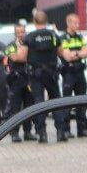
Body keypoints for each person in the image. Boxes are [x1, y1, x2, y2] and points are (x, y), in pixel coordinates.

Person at [26, 11, 69, 142]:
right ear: (46, 21)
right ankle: (61, 131)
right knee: (56, 101)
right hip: (52, 73)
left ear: (34, 21)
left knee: (39, 102)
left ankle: (42, 133)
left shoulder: (30, 37)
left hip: (36, 74)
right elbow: (61, 52)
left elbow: (23, 56)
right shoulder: (53, 35)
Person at [60, 13, 87, 137]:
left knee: (82, 102)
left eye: (78, 23)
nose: (77, 25)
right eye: (75, 23)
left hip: (80, 72)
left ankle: (82, 129)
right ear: (68, 23)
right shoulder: (63, 38)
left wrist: (76, 54)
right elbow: (67, 56)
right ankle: (66, 130)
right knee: (67, 103)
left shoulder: (79, 37)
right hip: (69, 73)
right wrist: (80, 53)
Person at [4, 24, 35, 143]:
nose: (21, 34)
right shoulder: (10, 45)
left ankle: (28, 132)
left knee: (28, 106)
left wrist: (23, 54)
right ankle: (14, 133)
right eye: (19, 32)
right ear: (15, 34)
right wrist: (24, 55)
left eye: (23, 32)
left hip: (28, 79)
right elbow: (17, 58)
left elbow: (30, 58)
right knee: (15, 108)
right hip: (16, 80)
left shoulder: (29, 44)